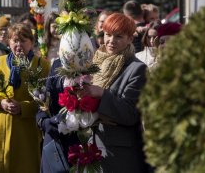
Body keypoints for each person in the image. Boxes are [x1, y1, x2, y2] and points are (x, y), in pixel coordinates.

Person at [0, 23, 50, 173]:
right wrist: (0, 102)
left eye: (23, 40)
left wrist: (23, 107)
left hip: (26, 134)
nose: (18, 45)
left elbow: (47, 101)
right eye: (15, 40)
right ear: (9, 42)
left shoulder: (42, 65)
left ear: (32, 42)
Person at [82, 13, 149, 173]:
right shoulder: (95, 63)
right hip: (91, 145)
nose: (111, 41)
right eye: (108, 35)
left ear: (130, 39)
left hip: (118, 154)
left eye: (118, 36)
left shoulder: (137, 69)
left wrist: (101, 94)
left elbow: (130, 114)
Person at [36, 58, 79, 172]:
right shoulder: (57, 63)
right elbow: (47, 93)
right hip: (55, 137)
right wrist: (43, 120)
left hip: (80, 141)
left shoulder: (89, 63)